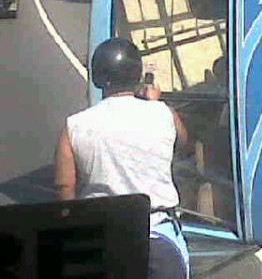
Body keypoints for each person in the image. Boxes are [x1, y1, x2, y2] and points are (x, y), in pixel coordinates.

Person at [54, 38, 191, 279]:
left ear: (98, 77)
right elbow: (183, 143)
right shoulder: (163, 113)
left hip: (101, 235)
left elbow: (65, 186)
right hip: (157, 234)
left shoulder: (74, 125)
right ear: (137, 74)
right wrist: (156, 104)